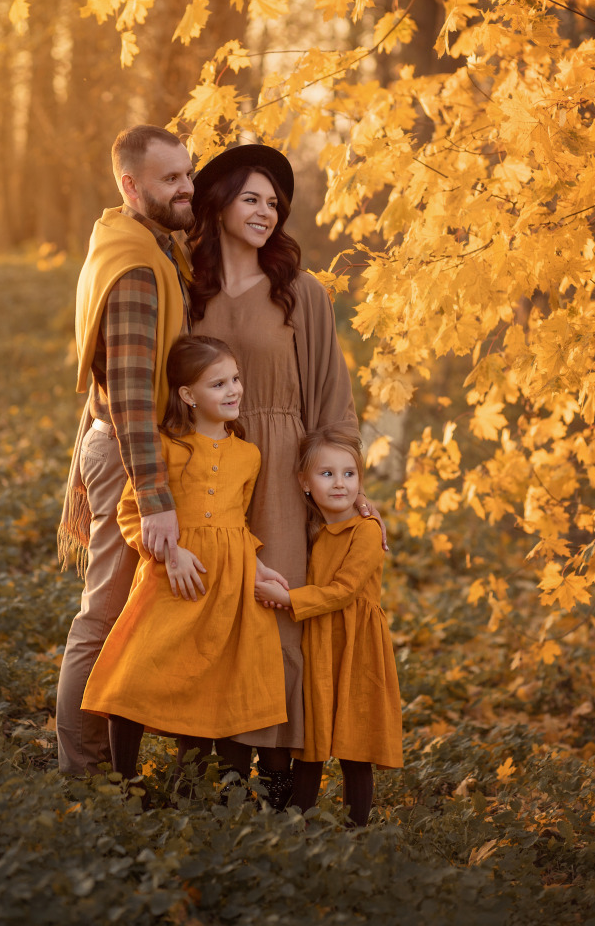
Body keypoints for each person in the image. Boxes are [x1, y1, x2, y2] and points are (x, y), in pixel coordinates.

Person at [188, 143, 384, 806]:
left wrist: (343, 488)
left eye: (275, 203)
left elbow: (332, 399)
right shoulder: (188, 288)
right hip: (210, 471)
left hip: (282, 474)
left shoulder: (301, 293)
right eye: (252, 198)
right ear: (217, 203)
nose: (267, 212)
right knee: (212, 612)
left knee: (275, 615)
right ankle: (215, 763)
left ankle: (278, 772)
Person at [81, 336, 287, 788]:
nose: (233, 390)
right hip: (171, 576)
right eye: (218, 384)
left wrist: (254, 564)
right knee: (132, 672)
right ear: (188, 396)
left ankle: (189, 789)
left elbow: (237, 522)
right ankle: (123, 781)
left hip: (228, 581)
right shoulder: (165, 447)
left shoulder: (249, 455)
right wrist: (170, 553)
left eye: (235, 379)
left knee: (215, 678)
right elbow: (130, 512)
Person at [56, 125, 195, 776]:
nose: (186, 187)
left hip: (117, 445)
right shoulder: (138, 266)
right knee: (105, 609)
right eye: (170, 179)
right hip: (126, 450)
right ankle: (84, 771)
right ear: (130, 185)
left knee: (116, 607)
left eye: (188, 174)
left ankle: (99, 761)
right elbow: (132, 396)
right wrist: (156, 498)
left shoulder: (135, 241)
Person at [255, 427, 403, 827]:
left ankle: (357, 828)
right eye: (326, 474)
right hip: (321, 642)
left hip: (356, 646)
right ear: (304, 482)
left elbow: (343, 591)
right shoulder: (316, 530)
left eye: (349, 474)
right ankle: (296, 824)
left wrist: (289, 600)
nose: (340, 483)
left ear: (360, 481)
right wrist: (282, 597)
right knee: (313, 738)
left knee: (354, 738)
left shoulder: (368, 531)